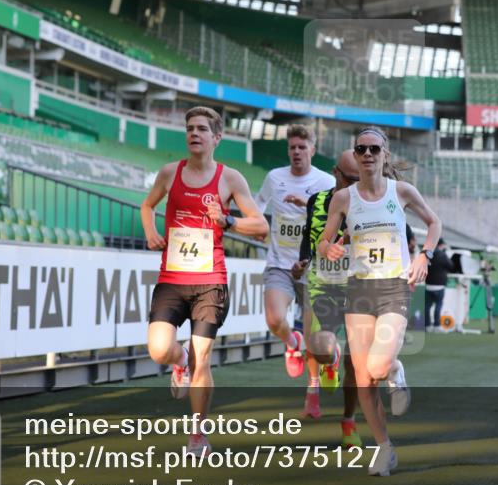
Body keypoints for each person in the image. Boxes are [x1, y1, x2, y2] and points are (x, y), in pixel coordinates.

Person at [141, 106, 268, 456]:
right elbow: (147, 206)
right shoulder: (170, 173)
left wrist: (228, 221)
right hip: (172, 278)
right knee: (159, 349)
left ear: (217, 137)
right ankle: (178, 362)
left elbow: (261, 226)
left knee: (204, 357)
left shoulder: (231, 179)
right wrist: (151, 232)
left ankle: (197, 433)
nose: (194, 134)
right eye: (189, 128)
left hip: (210, 280)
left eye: (201, 129)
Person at [318, 126, 441, 476]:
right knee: (362, 378)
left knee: (376, 366)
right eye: (361, 149)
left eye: (374, 149)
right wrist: (330, 247)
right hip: (359, 290)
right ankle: (384, 448)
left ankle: (395, 369)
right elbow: (323, 243)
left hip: (394, 287)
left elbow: (434, 222)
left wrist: (424, 256)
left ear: (385, 154)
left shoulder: (401, 191)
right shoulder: (343, 198)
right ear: (355, 157)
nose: (368, 155)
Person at [255, 124, 336, 380]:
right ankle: (291, 343)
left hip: (313, 269)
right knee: (275, 319)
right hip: (280, 264)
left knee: (316, 341)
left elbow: (337, 218)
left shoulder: (327, 182)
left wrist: (309, 207)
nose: (297, 152)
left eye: (302, 147)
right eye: (292, 147)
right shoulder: (275, 177)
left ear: (312, 149)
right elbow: (258, 205)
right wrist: (259, 224)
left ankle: (316, 384)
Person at [292, 149, 362, 445]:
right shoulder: (317, 200)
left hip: (360, 289)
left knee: (357, 365)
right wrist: (303, 261)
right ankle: (329, 360)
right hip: (323, 285)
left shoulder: (372, 202)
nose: (356, 185)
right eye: (350, 179)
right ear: (336, 174)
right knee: (318, 348)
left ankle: (349, 422)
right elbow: (309, 235)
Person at [424, 238, 454, 332]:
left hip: (428, 284)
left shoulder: (428, 254)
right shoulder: (442, 254)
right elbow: (451, 266)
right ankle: (437, 325)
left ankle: (427, 326)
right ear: (441, 245)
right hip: (439, 285)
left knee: (427, 306)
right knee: (438, 305)